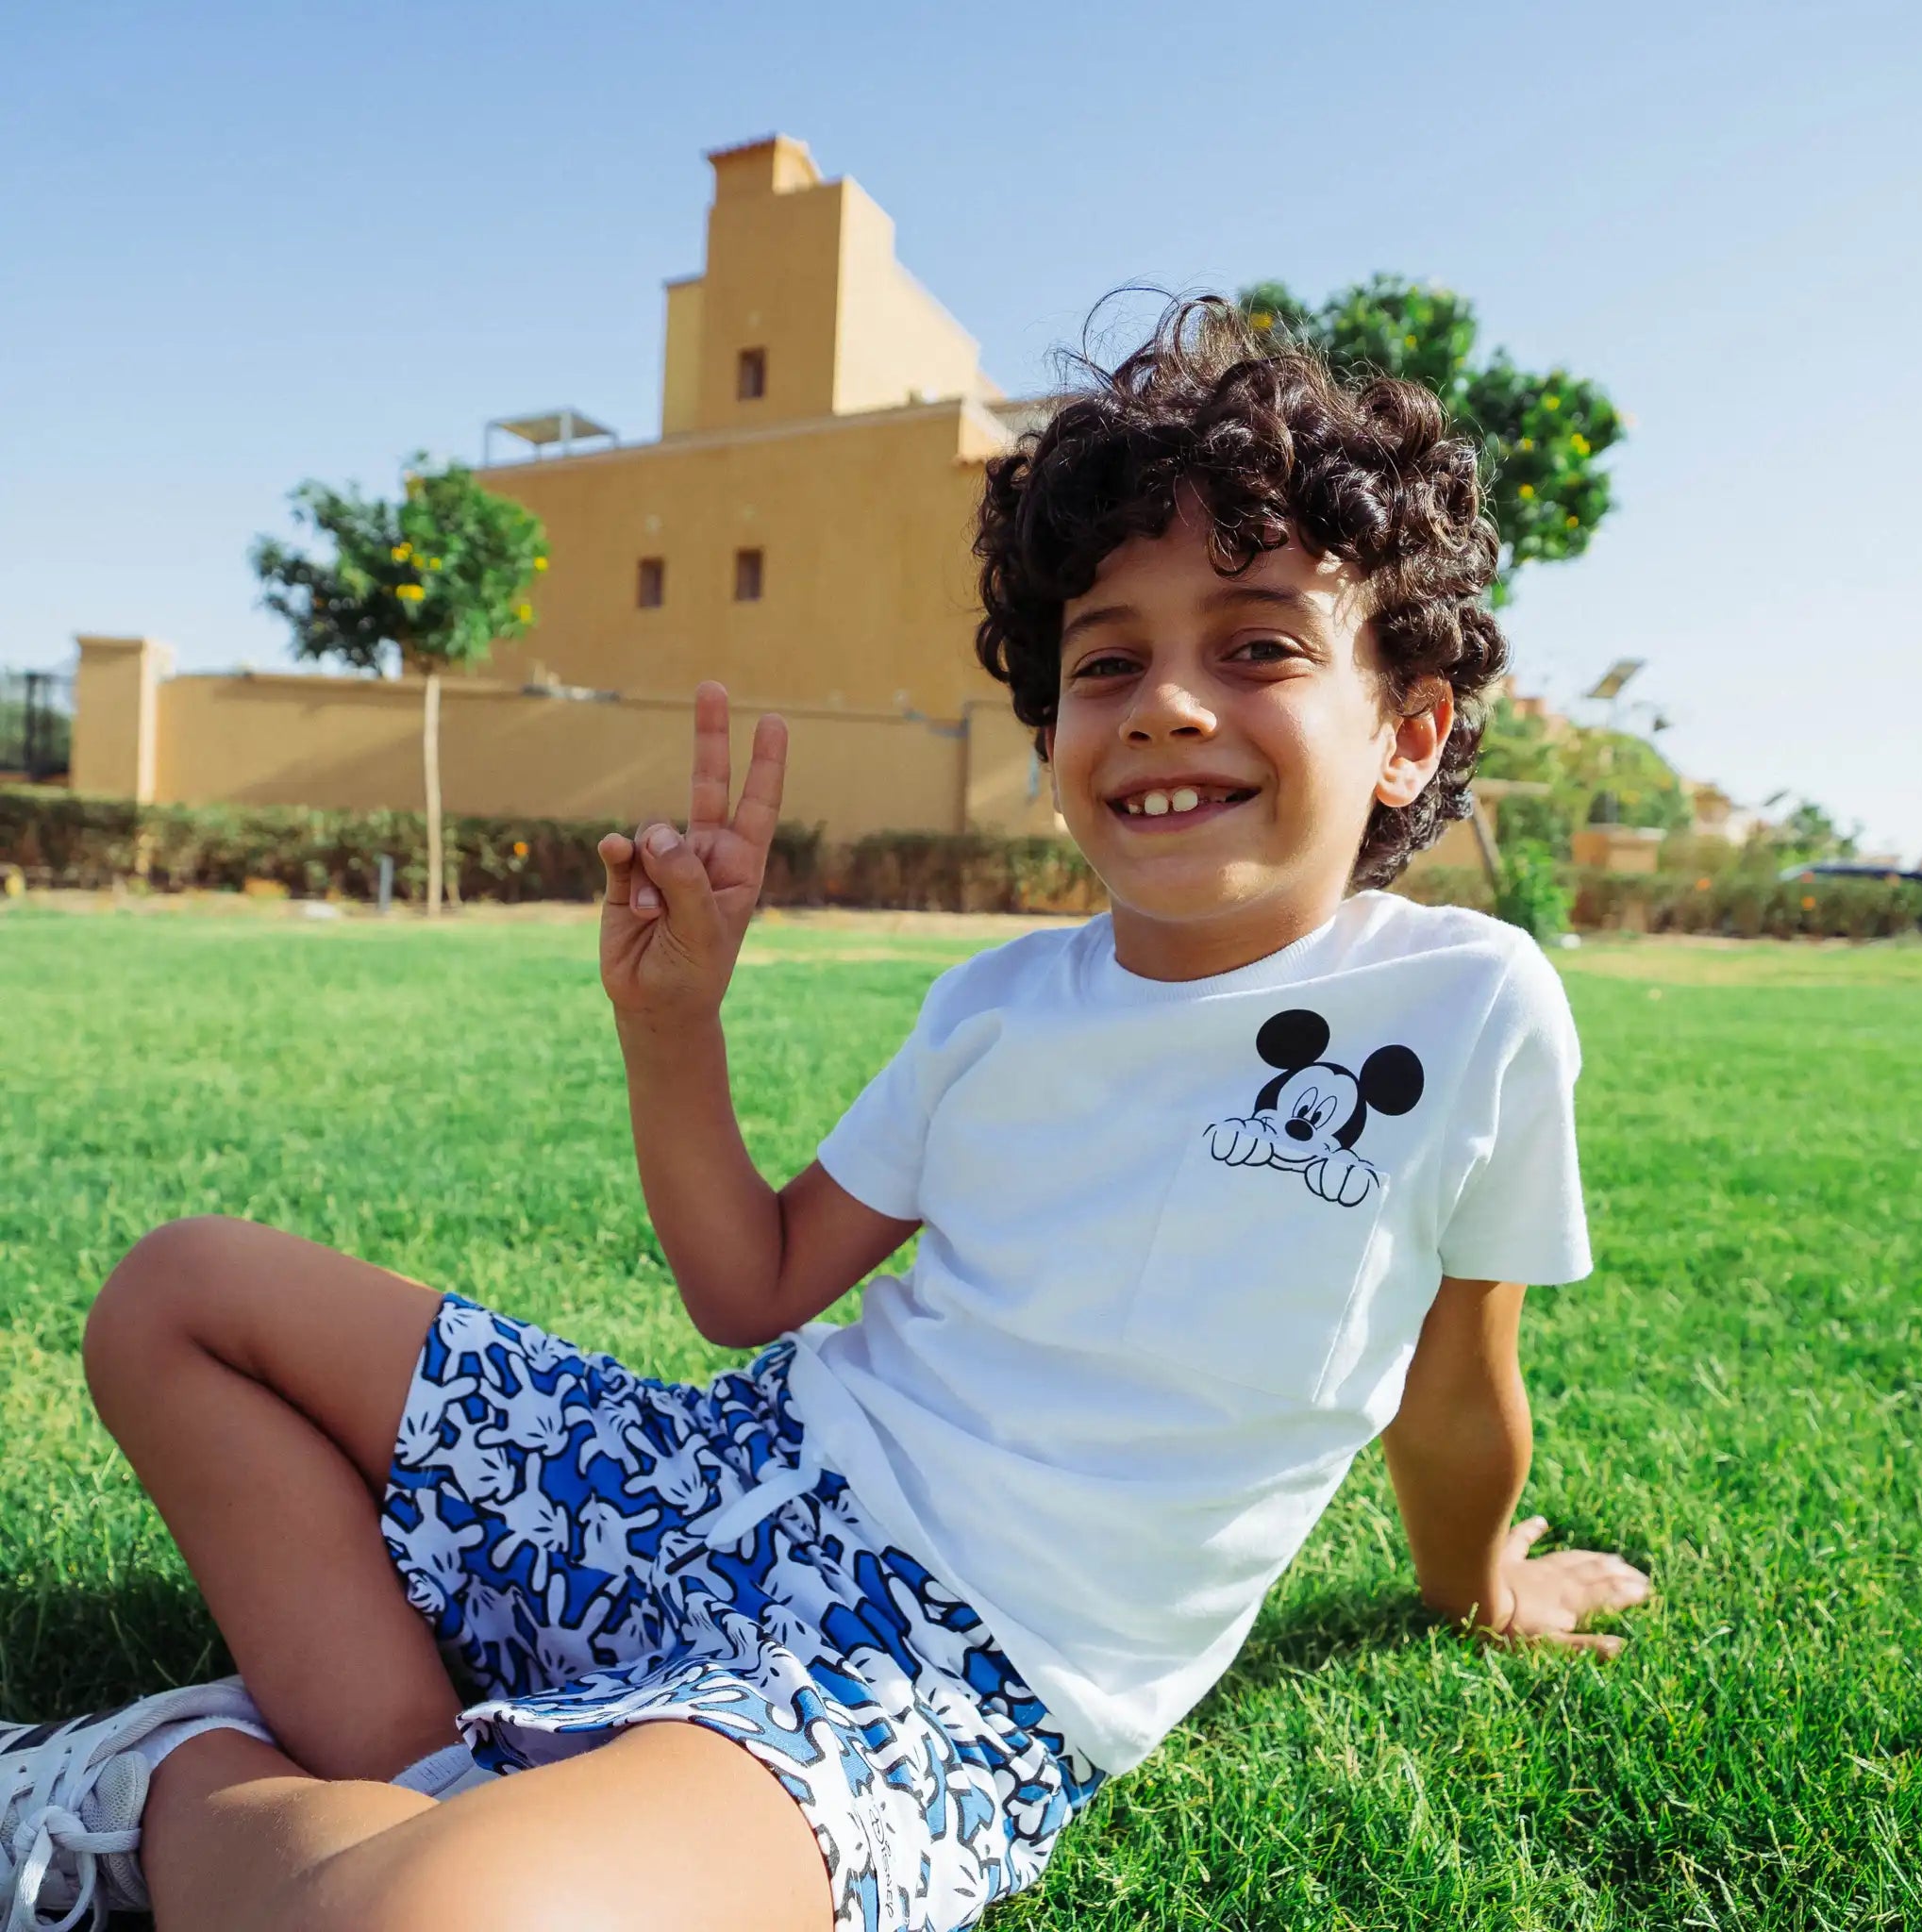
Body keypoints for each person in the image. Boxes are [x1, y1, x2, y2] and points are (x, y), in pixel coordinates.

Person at [1, 297, 1650, 1932]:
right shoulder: (998, 1007)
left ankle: (191, 1782)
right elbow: (753, 1287)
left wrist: (1483, 1585)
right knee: (180, 1297)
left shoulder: (1468, 1007)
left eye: (1259, 643)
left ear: (1408, 732)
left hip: (941, 1680)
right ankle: (421, 1781)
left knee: (438, 1919)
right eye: (1107, 659)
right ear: (1059, 732)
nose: (1164, 702)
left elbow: (1456, 1386)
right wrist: (673, 1028)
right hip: (713, 1479)